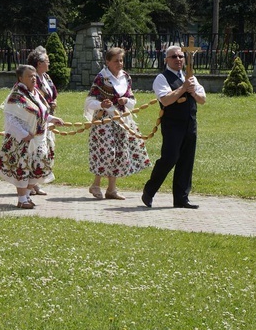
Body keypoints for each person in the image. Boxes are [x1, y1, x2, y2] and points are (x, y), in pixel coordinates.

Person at [0, 65, 64, 209]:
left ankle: (27, 195)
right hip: (23, 140)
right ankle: (22, 199)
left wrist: (52, 119)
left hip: (39, 138)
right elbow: (10, 119)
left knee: (39, 168)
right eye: (30, 76)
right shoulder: (17, 95)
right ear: (20, 78)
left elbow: (41, 113)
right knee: (23, 169)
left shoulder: (36, 93)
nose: (33, 78)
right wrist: (24, 134)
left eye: (34, 75)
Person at [142, 45, 206, 209]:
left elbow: (202, 99)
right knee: (169, 158)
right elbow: (166, 100)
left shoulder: (190, 77)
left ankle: (181, 198)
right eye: (174, 57)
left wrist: (192, 91)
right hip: (173, 125)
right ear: (166, 60)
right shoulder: (162, 78)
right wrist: (183, 88)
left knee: (186, 160)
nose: (178, 59)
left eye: (180, 57)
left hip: (190, 123)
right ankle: (149, 191)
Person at [84, 47, 151, 200]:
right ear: (108, 62)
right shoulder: (102, 78)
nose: (119, 64)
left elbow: (132, 99)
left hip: (122, 119)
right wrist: (102, 105)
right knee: (106, 152)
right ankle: (95, 184)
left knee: (120, 152)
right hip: (104, 121)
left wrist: (126, 100)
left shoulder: (126, 77)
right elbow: (89, 101)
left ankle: (111, 189)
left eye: (121, 60)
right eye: (116, 61)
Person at [27, 46, 58, 195]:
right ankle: (29, 184)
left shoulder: (46, 77)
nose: (49, 63)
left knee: (45, 150)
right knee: (35, 151)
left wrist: (53, 102)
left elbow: (52, 93)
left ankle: (36, 182)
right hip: (35, 120)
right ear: (39, 63)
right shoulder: (32, 78)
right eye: (47, 60)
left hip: (47, 119)